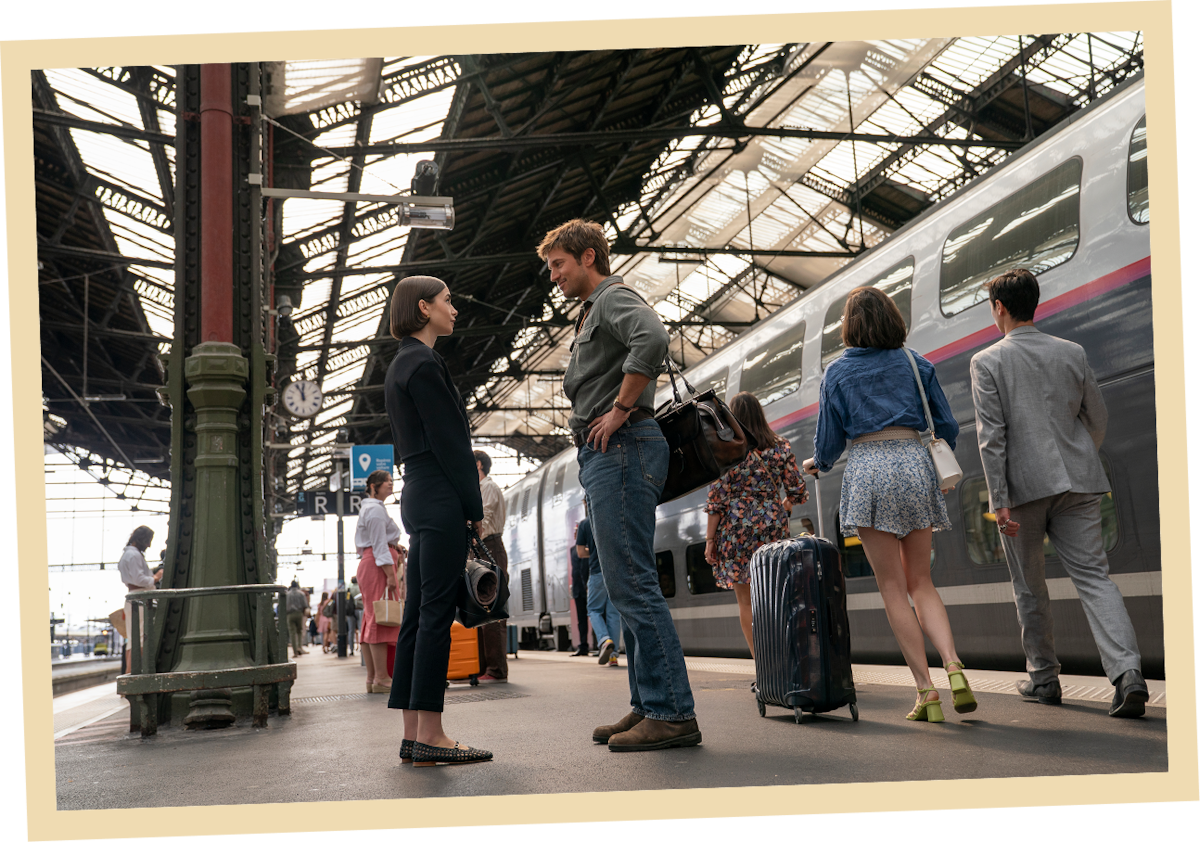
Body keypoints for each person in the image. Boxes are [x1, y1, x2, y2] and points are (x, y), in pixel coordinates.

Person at [540, 218, 701, 752]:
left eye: (559, 264)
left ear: (589, 257)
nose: (555, 276)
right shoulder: (594, 310)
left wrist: (618, 409)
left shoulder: (611, 296)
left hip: (624, 445)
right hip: (611, 453)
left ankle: (672, 713)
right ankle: (648, 702)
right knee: (623, 581)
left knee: (631, 582)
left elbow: (652, 336)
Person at [969, 268, 1147, 717]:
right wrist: (1080, 458)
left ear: (1000, 308)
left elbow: (992, 437)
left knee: (1029, 586)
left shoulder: (987, 362)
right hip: (1079, 482)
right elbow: (1097, 417)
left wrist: (999, 500)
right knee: (1095, 579)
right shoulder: (1072, 351)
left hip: (1024, 491)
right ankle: (1128, 674)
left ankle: (1044, 679)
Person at [802, 286, 976, 724]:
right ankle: (954, 665)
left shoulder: (837, 373)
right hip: (915, 463)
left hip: (868, 471)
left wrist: (817, 463)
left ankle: (926, 692)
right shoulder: (916, 363)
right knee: (922, 581)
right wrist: (937, 467)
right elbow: (947, 425)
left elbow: (829, 442)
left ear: (850, 325)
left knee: (893, 588)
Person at [384, 274, 492, 766]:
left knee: (417, 617)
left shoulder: (400, 364)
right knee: (434, 618)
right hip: (442, 494)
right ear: (424, 308)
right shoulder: (425, 364)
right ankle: (433, 733)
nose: (455, 309)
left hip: (417, 493)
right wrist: (474, 512)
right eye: (449, 301)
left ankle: (413, 733)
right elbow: (454, 446)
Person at [705, 391, 808, 669]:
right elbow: (797, 489)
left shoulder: (728, 449)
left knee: (746, 603)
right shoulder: (780, 446)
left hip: (735, 530)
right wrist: (782, 506)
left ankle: (765, 668)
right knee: (775, 597)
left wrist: (710, 540)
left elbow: (716, 500)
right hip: (773, 526)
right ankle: (788, 663)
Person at [356, 469, 404, 694]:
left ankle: (373, 678)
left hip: (372, 563)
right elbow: (378, 545)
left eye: (391, 481)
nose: (391, 485)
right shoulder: (375, 511)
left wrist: (396, 546)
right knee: (380, 618)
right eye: (387, 482)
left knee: (371, 617)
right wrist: (390, 574)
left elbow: (380, 542)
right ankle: (383, 678)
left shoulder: (372, 509)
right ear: (374, 486)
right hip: (378, 566)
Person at [473, 450, 509, 683]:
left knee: (491, 609)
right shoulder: (482, 488)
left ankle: (496, 670)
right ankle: (486, 667)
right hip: (486, 549)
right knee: (481, 609)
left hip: (490, 548)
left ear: (478, 465)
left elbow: (482, 521)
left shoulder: (488, 488)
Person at [577, 515, 622, 668]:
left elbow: (581, 553)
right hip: (616, 573)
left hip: (598, 573)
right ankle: (613, 656)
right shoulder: (612, 516)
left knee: (593, 610)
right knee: (613, 614)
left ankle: (604, 640)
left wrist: (595, 551)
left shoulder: (585, 524)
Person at [118, 525, 161, 674]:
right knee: (141, 639)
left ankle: (128, 675)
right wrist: (156, 578)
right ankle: (132, 676)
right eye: (148, 540)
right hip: (141, 600)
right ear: (141, 539)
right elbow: (139, 579)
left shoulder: (127, 554)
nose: (149, 545)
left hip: (133, 600)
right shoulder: (134, 555)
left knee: (132, 640)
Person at [569, 523, 590, 657]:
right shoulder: (572, 550)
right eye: (575, 532)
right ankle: (583, 646)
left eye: (578, 532)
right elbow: (575, 570)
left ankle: (601, 644)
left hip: (588, 587)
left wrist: (587, 584)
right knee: (581, 619)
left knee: (596, 614)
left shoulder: (588, 549)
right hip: (577, 589)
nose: (576, 535)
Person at [285, 580, 309, 658]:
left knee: (292, 633)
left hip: (289, 614)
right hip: (299, 613)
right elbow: (305, 605)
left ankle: (295, 651)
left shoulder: (287, 594)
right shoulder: (301, 594)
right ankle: (300, 647)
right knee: (299, 631)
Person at [345, 576, 362, 655]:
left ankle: (351, 650)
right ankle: (362, 648)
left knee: (351, 631)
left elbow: (347, 600)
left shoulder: (349, 589)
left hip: (350, 611)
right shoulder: (361, 587)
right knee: (361, 629)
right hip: (360, 609)